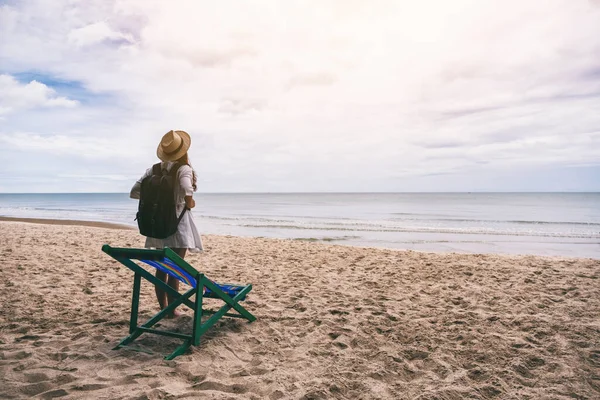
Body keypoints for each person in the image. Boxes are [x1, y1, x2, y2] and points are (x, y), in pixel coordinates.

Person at [130, 130, 203, 318]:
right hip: (177, 226)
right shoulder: (183, 169)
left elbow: (134, 191)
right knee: (176, 268)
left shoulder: (153, 170)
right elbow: (187, 187)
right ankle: (173, 310)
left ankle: (164, 308)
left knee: (161, 268)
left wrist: (157, 199)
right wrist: (188, 200)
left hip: (157, 225)